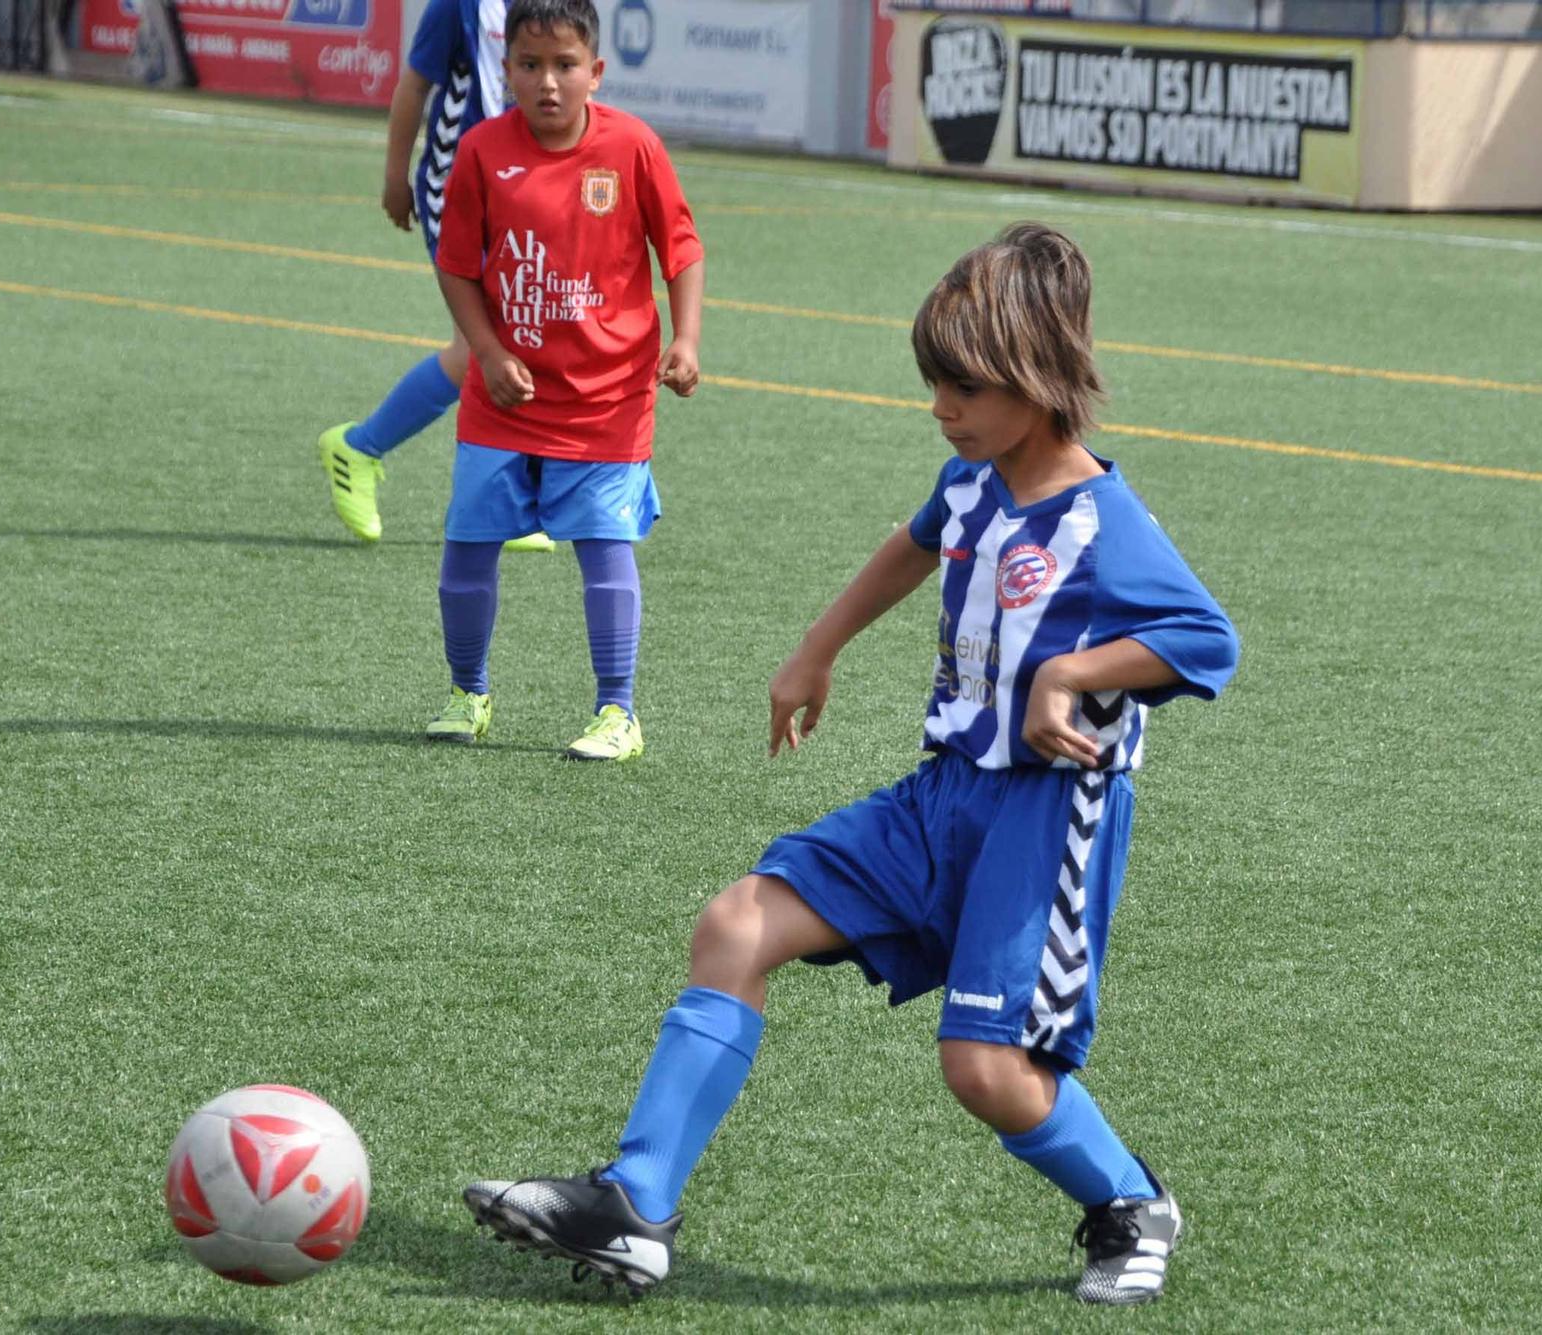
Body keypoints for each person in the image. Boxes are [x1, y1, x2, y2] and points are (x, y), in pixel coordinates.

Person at [462, 223, 1239, 1302]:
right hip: (939, 798)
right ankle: (637, 1204)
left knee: (986, 1073)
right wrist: (816, 650)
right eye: (934, 384)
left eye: (961, 387)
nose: (940, 407)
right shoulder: (970, 480)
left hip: (1045, 819)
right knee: (736, 924)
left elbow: (1205, 640)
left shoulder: (1100, 518)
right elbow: (914, 542)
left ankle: (1126, 1202)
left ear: (1038, 379)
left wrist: (1066, 679)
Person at [422, 0, 702, 761]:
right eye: (530, 65)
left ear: (595, 72)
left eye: (565, 65)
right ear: (506, 69)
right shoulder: (481, 152)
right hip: (503, 399)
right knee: (467, 548)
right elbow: (455, 267)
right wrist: (486, 351)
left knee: (604, 544)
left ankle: (619, 712)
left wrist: (687, 339)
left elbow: (679, 248)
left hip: (605, 397)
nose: (548, 82)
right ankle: (466, 692)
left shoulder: (634, 147)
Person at [316, 0, 552, 554]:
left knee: (512, 338)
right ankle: (359, 447)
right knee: (481, 346)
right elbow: (414, 86)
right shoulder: (459, 5)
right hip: (457, 187)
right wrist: (395, 176)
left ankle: (504, 499)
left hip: (518, 188)